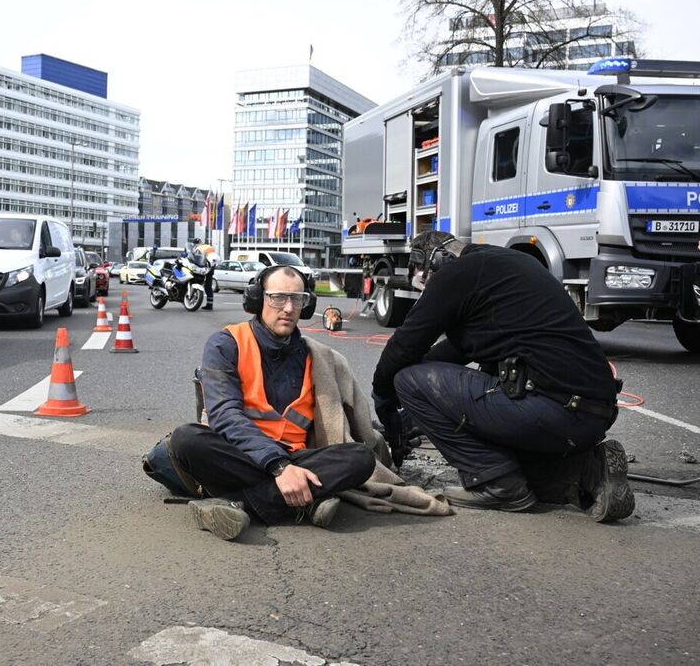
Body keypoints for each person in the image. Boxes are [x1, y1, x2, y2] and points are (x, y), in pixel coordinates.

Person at [371, 231, 633, 522]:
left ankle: (496, 483)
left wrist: (382, 396)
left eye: (426, 282)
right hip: (591, 416)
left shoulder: (455, 272)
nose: (430, 291)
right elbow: (451, 354)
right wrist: (411, 418)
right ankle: (586, 471)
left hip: (551, 410)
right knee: (515, 458)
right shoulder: (506, 266)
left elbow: (405, 346)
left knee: (406, 380)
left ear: (436, 261)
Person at [166, 265, 380, 540]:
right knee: (187, 438)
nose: (289, 308)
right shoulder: (226, 343)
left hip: (296, 456)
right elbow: (224, 415)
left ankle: (236, 504)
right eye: (278, 297)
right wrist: (279, 467)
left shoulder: (314, 356)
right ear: (257, 299)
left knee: (360, 458)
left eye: (297, 299)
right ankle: (303, 499)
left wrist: (288, 464)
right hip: (240, 453)